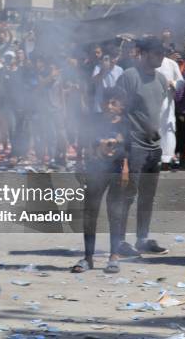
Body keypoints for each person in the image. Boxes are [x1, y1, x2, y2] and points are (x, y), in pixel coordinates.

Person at [115, 36, 169, 256]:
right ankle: (118, 241)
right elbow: (118, 112)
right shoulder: (129, 77)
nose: (161, 57)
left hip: (154, 146)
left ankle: (142, 239)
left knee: (148, 195)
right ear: (143, 53)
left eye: (162, 53)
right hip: (133, 146)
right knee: (127, 195)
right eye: (157, 53)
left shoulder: (162, 80)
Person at [71, 87, 127, 274]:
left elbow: (131, 147)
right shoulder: (94, 120)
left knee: (115, 213)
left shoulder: (127, 123)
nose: (109, 106)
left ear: (122, 106)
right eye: (106, 102)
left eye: (114, 103)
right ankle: (88, 258)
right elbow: (85, 142)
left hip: (117, 171)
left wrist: (125, 165)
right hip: (95, 170)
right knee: (90, 213)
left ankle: (114, 256)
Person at [156, 55, 184, 170]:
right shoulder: (147, 62)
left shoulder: (171, 63)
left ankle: (166, 160)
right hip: (151, 103)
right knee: (154, 130)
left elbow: (181, 82)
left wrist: (172, 83)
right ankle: (155, 159)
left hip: (167, 104)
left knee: (168, 131)